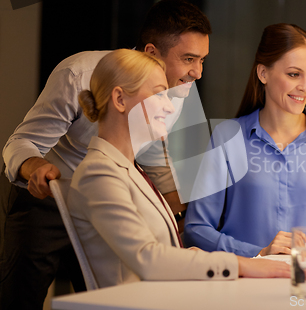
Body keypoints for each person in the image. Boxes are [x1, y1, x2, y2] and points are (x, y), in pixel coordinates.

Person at [0, 0, 208, 310]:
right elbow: (21, 143)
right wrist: (37, 168)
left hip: (107, 201)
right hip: (47, 200)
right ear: (152, 52)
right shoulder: (79, 73)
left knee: (106, 300)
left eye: (203, 60)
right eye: (189, 58)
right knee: (20, 300)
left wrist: (185, 215)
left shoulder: (178, 92)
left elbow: (157, 161)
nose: (198, 72)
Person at [69, 49, 289, 287]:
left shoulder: (130, 170)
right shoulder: (98, 173)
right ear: (120, 100)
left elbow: (162, 251)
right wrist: (242, 264)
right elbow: (149, 259)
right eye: (159, 94)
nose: (170, 107)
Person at [184, 23, 306, 259]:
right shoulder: (227, 136)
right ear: (263, 73)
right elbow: (196, 230)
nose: (305, 87)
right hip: (241, 283)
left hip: (303, 283)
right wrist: (259, 253)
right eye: (294, 74)